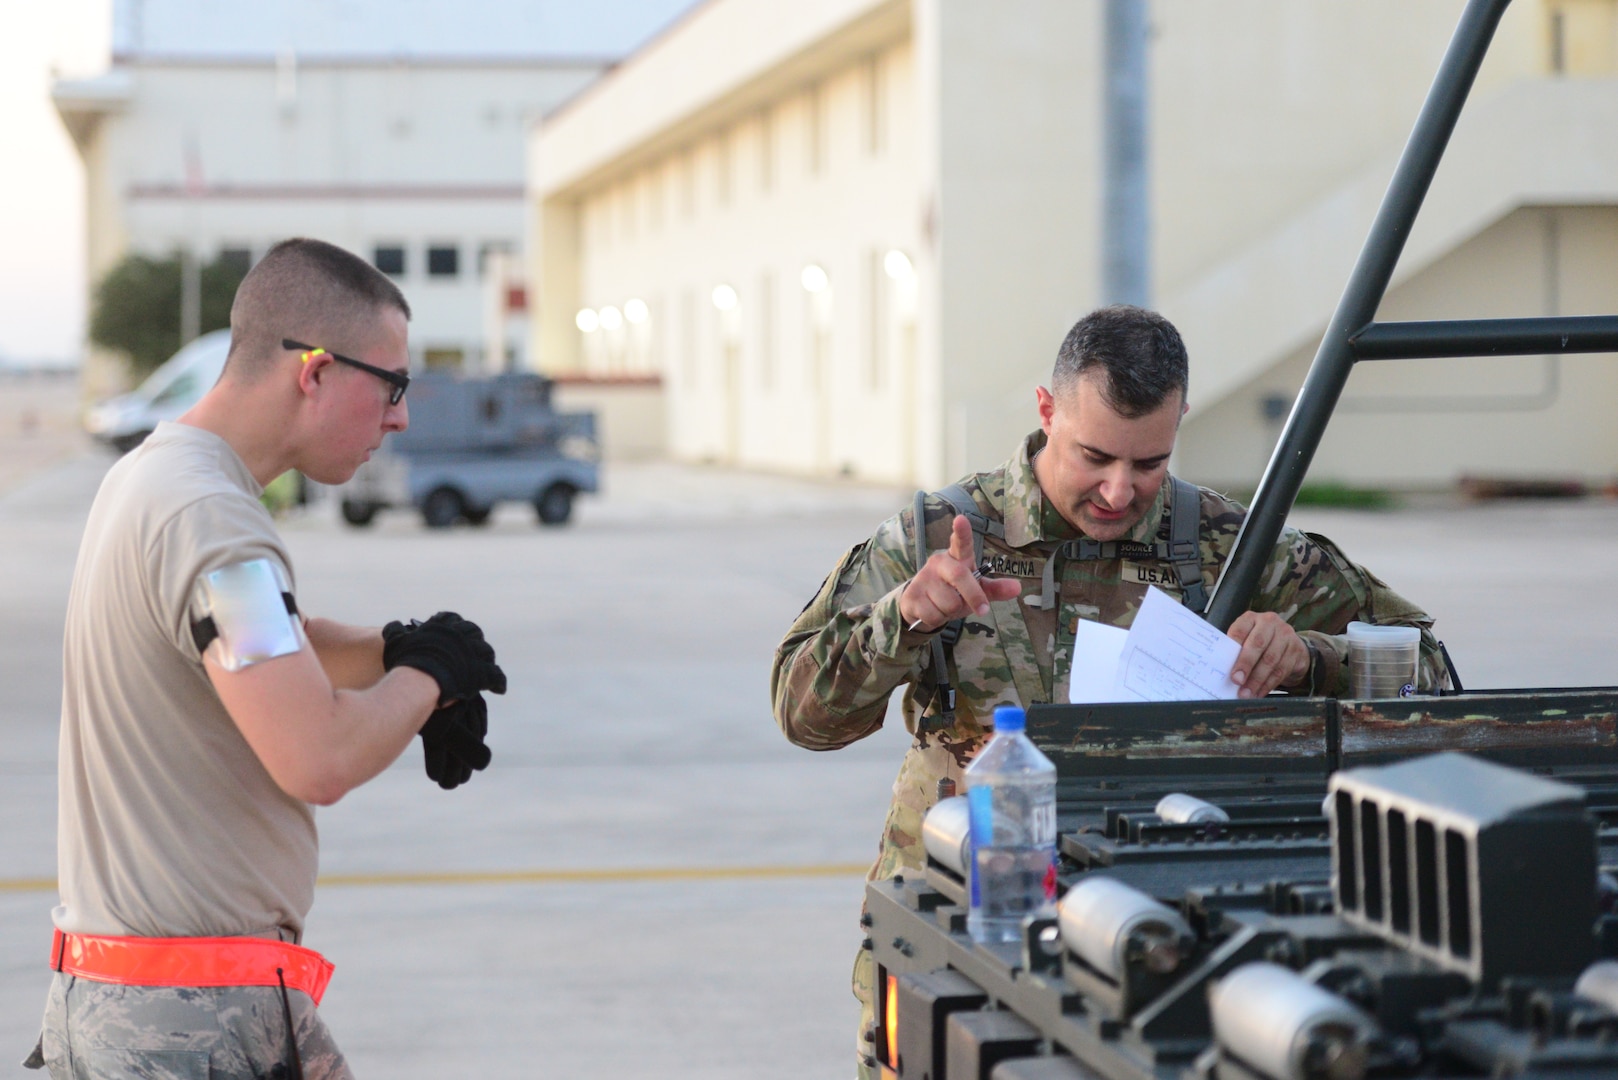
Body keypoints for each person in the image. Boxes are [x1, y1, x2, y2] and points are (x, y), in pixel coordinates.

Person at [769, 304, 1449, 1077]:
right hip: (959, 918)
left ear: (1181, 421)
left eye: (1149, 463)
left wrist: (1309, 657)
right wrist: (904, 619)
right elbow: (803, 715)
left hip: (1157, 939)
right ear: (1046, 409)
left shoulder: (1235, 546)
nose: (1120, 492)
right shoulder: (941, 538)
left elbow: (1431, 671)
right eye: (1095, 456)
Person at [25, 238, 507, 1080]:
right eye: (391, 386)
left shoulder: (160, 480)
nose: (400, 416)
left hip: (140, 1001)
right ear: (314, 371)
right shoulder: (210, 519)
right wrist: (429, 682)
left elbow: (258, 644)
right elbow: (316, 756)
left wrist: (405, 651)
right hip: (186, 1025)